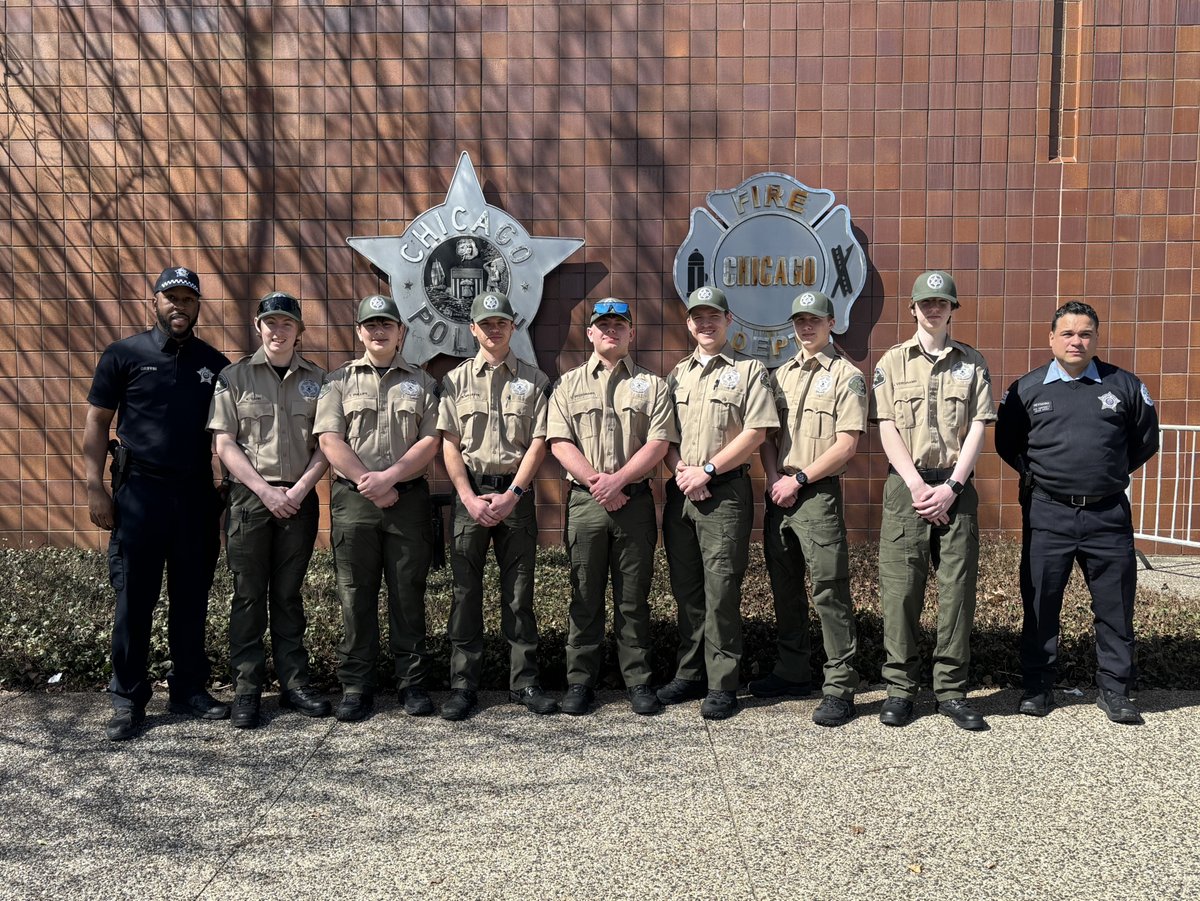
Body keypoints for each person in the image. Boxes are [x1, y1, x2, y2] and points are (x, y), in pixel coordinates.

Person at [83, 265, 231, 741]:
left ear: (197, 307)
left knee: (191, 598)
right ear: (155, 303)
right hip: (139, 494)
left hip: (194, 498)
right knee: (134, 601)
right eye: (170, 298)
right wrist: (93, 487)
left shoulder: (215, 362)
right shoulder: (123, 355)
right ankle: (127, 697)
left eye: (187, 299)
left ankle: (188, 688)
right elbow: (96, 421)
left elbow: (226, 433)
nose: (178, 307)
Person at [995, 301, 1159, 724]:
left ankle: (1115, 691)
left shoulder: (1123, 385)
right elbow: (1008, 444)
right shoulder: (1026, 389)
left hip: (1107, 516)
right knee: (1040, 603)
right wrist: (1050, 480)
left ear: (1096, 339)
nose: (1076, 341)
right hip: (1049, 514)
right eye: (1067, 333)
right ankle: (1037, 687)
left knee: (1115, 606)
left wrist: (1103, 475)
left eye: (1085, 333)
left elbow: (1145, 441)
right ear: (1051, 339)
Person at [869, 271, 994, 731]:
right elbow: (886, 425)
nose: (933, 309)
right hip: (907, 488)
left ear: (952, 308)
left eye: (942, 302)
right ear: (913, 308)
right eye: (926, 302)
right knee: (901, 592)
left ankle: (951, 691)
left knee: (957, 593)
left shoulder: (973, 363)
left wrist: (953, 487)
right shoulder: (892, 362)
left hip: (956, 489)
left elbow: (979, 426)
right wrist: (919, 486)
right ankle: (901, 689)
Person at [313, 294, 441, 723]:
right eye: (371, 325)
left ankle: (412, 683)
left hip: (407, 500)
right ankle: (356, 685)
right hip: (354, 501)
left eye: (387, 324)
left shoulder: (423, 383)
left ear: (401, 331)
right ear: (360, 332)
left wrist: (390, 478)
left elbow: (430, 441)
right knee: (355, 595)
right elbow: (330, 440)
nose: (379, 331)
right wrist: (372, 484)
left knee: (408, 594)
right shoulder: (337, 382)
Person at [207, 292, 331, 728]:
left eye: (286, 324)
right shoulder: (234, 377)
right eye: (270, 323)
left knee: (288, 594)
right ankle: (246, 689)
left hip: (299, 498)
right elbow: (223, 443)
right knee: (247, 596)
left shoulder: (320, 379)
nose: (277, 331)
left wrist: (296, 492)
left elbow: (327, 446)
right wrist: (265, 491)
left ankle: (295, 684)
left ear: (300, 331)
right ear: (258, 327)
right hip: (249, 499)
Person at [547, 299, 674, 716]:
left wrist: (618, 481)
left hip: (633, 502)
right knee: (584, 595)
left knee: (633, 598)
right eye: (603, 325)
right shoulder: (567, 385)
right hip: (586, 503)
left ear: (631, 333)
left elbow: (659, 443)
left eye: (619, 325)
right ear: (590, 333)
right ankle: (580, 682)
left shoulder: (653, 385)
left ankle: (637, 681)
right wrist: (598, 484)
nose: (611, 331)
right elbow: (559, 441)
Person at [658, 286, 778, 720]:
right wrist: (683, 475)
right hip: (683, 492)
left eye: (713, 316)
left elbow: (756, 431)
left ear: (729, 321)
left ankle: (722, 682)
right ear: (689, 324)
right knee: (686, 589)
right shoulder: (676, 375)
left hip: (724, 492)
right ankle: (689, 674)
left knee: (722, 589)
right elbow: (664, 435)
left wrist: (705, 472)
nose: (705, 324)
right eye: (697, 318)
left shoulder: (749, 371)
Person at [437, 291, 558, 720]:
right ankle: (463, 686)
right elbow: (449, 444)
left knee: (519, 593)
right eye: (486, 323)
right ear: (472, 329)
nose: (494, 329)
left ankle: (524, 683)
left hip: (515, 498)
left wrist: (514, 495)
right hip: (470, 495)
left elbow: (538, 443)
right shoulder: (453, 382)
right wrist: (468, 497)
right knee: (465, 593)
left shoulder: (535, 380)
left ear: (512, 326)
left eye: (501, 322)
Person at [753, 290, 867, 727]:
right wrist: (772, 479)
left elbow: (847, 445)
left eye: (814, 319)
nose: (806, 327)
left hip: (815, 494)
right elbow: (767, 437)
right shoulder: (778, 376)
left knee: (828, 590)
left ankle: (840, 686)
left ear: (831, 322)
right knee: (784, 587)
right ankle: (793, 670)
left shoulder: (846, 376)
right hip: (779, 494)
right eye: (800, 320)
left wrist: (799, 480)